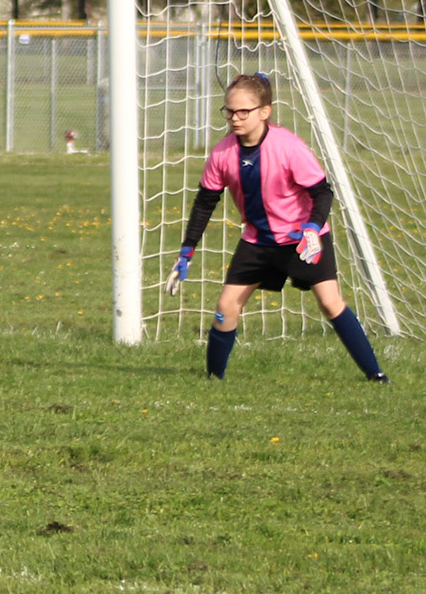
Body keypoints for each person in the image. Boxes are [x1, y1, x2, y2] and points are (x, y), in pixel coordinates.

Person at [166, 72, 389, 383]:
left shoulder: (288, 146)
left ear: (264, 112)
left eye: (243, 111)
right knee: (226, 308)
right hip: (257, 242)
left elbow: (323, 192)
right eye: (229, 111)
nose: (234, 118)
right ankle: (213, 380)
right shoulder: (222, 153)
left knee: (330, 302)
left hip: (302, 239)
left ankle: (376, 375)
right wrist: (187, 250)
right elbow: (205, 202)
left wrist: (312, 228)